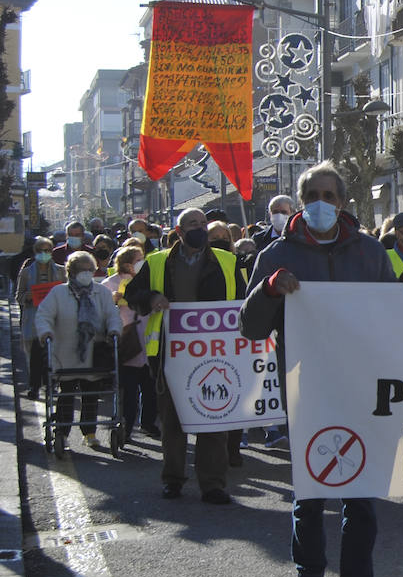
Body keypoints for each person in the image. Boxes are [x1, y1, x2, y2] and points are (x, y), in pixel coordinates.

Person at [240, 160, 403, 577]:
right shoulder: (276, 253)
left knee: (361, 500)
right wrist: (269, 290)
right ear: (301, 202)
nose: (321, 203)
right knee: (309, 494)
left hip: (361, 387)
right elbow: (250, 326)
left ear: (343, 201)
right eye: (312, 195)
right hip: (307, 389)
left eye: (330, 194)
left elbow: (392, 318)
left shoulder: (369, 252)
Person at [125, 208, 245, 505]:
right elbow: (132, 294)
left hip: (215, 352)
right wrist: (151, 298)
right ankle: (173, 479)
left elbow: (243, 302)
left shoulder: (228, 261)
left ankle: (213, 484)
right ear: (178, 232)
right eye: (193, 224)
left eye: (203, 223)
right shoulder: (156, 262)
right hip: (170, 353)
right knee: (174, 421)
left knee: (214, 420)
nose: (200, 228)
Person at [34, 251, 122, 458]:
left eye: (89, 269)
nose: (86, 273)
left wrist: (115, 330)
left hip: (94, 353)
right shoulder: (58, 293)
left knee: (91, 394)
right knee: (66, 395)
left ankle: (89, 432)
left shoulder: (100, 293)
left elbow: (112, 315)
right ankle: (62, 433)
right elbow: (44, 315)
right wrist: (45, 332)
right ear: (71, 272)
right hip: (65, 353)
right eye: (82, 270)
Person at [102, 245, 158, 447]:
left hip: (148, 341)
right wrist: (113, 300)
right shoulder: (109, 284)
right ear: (127, 264)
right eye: (138, 259)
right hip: (127, 343)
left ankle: (149, 423)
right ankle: (126, 427)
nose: (143, 262)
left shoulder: (146, 280)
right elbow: (101, 310)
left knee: (151, 387)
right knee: (130, 391)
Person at [16, 237, 64, 399]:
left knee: (52, 355)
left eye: (47, 250)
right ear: (35, 252)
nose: (44, 254)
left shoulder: (60, 271)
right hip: (34, 321)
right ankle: (34, 386)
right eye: (40, 250)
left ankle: (51, 385)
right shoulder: (26, 273)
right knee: (35, 356)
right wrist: (28, 296)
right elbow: (19, 296)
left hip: (55, 320)